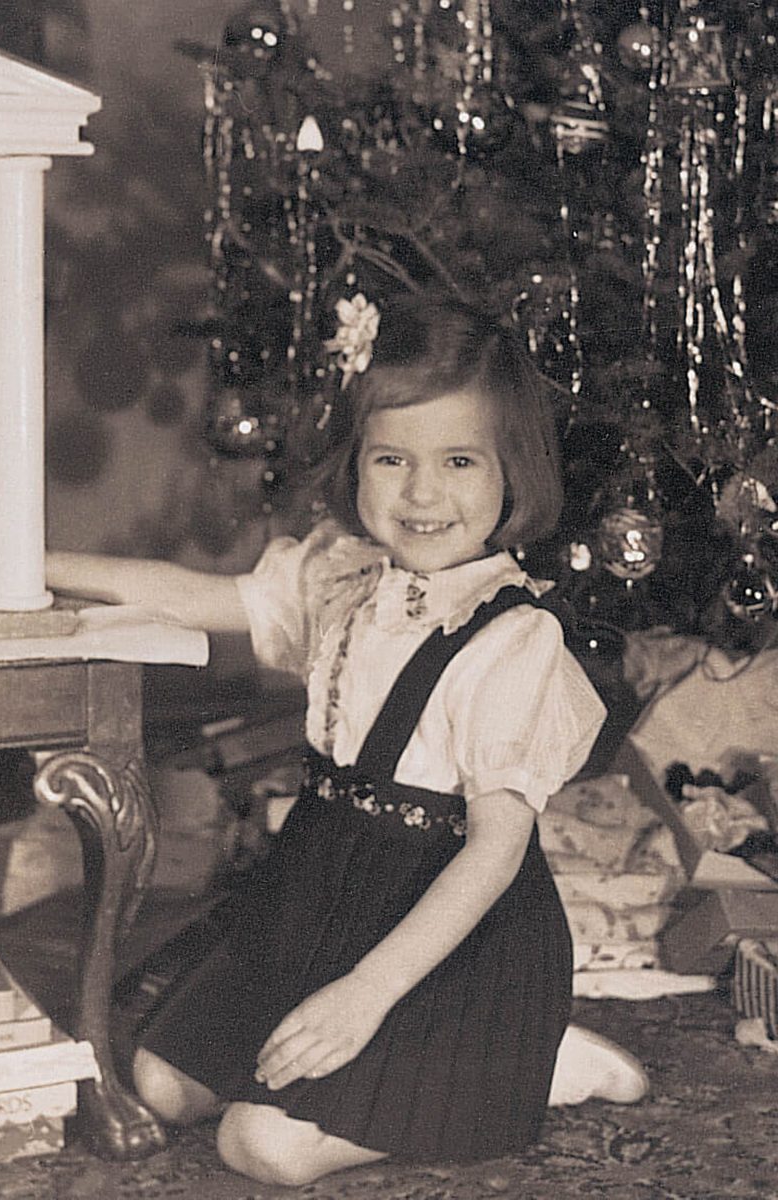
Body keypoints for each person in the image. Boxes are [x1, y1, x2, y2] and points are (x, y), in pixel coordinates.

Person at [46, 292, 648, 1187]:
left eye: (459, 460)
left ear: (511, 472)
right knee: (159, 1082)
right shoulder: (344, 578)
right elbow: (199, 597)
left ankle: (526, 1063)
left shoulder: (514, 638)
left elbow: (492, 855)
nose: (422, 493)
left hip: (444, 932)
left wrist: (366, 995)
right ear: (355, 464)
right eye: (391, 458)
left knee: (261, 1147)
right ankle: (396, 1050)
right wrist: (31, 563)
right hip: (319, 892)